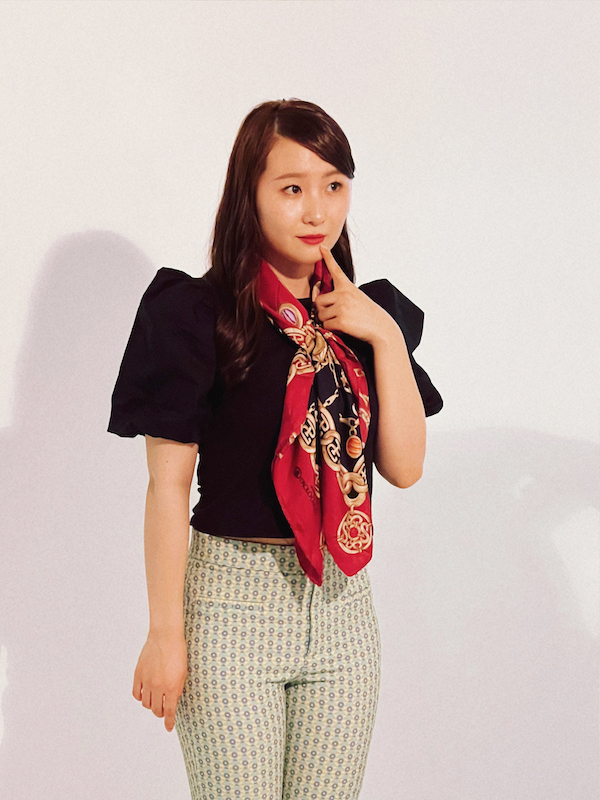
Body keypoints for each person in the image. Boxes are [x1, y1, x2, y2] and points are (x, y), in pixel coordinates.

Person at [107, 98, 442, 800]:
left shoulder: (368, 320)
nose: (317, 210)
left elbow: (405, 468)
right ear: (249, 195)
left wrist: (383, 336)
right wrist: (165, 634)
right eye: (292, 188)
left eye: (334, 185)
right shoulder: (197, 315)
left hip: (343, 610)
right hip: (231, 608)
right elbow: (167, 487)